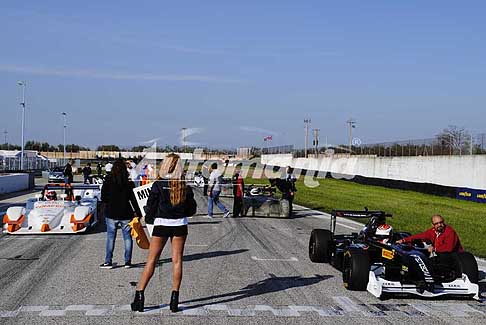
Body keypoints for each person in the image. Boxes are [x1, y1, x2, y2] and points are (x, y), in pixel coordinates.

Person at [131, 154, 196, 313]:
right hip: (180, 225)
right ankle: (174, 299)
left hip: (161, 224)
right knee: (177, 261)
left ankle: (140, 295)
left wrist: (149, 219)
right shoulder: (184, 186)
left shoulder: (158, 185)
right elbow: (191, 210)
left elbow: (151, 208)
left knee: (152, 260)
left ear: (166, 166)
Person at [100, 159, 141, 269]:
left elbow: (103, 197)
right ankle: (127, 261)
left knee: (110, 237)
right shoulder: (129, 183)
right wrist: (139, 213)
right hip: (126, 213)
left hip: (111, 213)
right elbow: (134, 200)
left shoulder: (108, 180)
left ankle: (108, 261)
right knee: (127, 238)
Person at [397, 215, 463, 253]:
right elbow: (420, 236)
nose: (439, 225)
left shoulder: (450, 232)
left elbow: (449, 248)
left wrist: (435, 249)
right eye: (436, 223)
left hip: (454, 256)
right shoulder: (432, 231)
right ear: (432, 225)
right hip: (439, 253)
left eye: (441, 222)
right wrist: (403, 240)